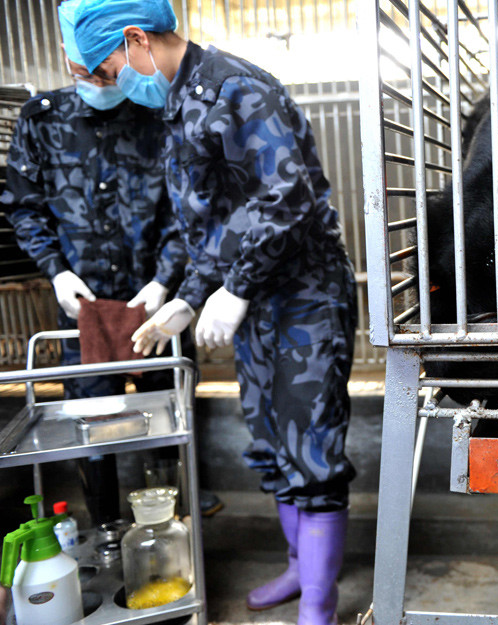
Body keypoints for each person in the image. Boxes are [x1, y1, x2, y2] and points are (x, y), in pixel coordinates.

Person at [75, 2, 358, 623]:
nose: (113, 78)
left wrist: (237, 286)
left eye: (109, 63)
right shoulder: (179, 101)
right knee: (270, 436)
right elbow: (215, 223)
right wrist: (188, 296)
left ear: (135, 37)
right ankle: (297, 566)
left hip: (304, 293)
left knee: (311, 444)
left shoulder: (237, 87)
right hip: (254, 302)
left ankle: (320, 604)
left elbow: (290, 195)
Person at [0, 0, 192, 528]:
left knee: (167, 422)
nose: (98, 81)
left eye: (103, 71)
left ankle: (173, 528)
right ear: (67, 57)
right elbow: (23, 204)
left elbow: (188, 208)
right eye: (85, 72)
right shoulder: (43, 119)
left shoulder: (160, 114)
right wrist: (55, 269)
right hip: (83, 312)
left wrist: (164, 278)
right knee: (94, 428)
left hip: (157, 305)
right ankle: (109, 529)